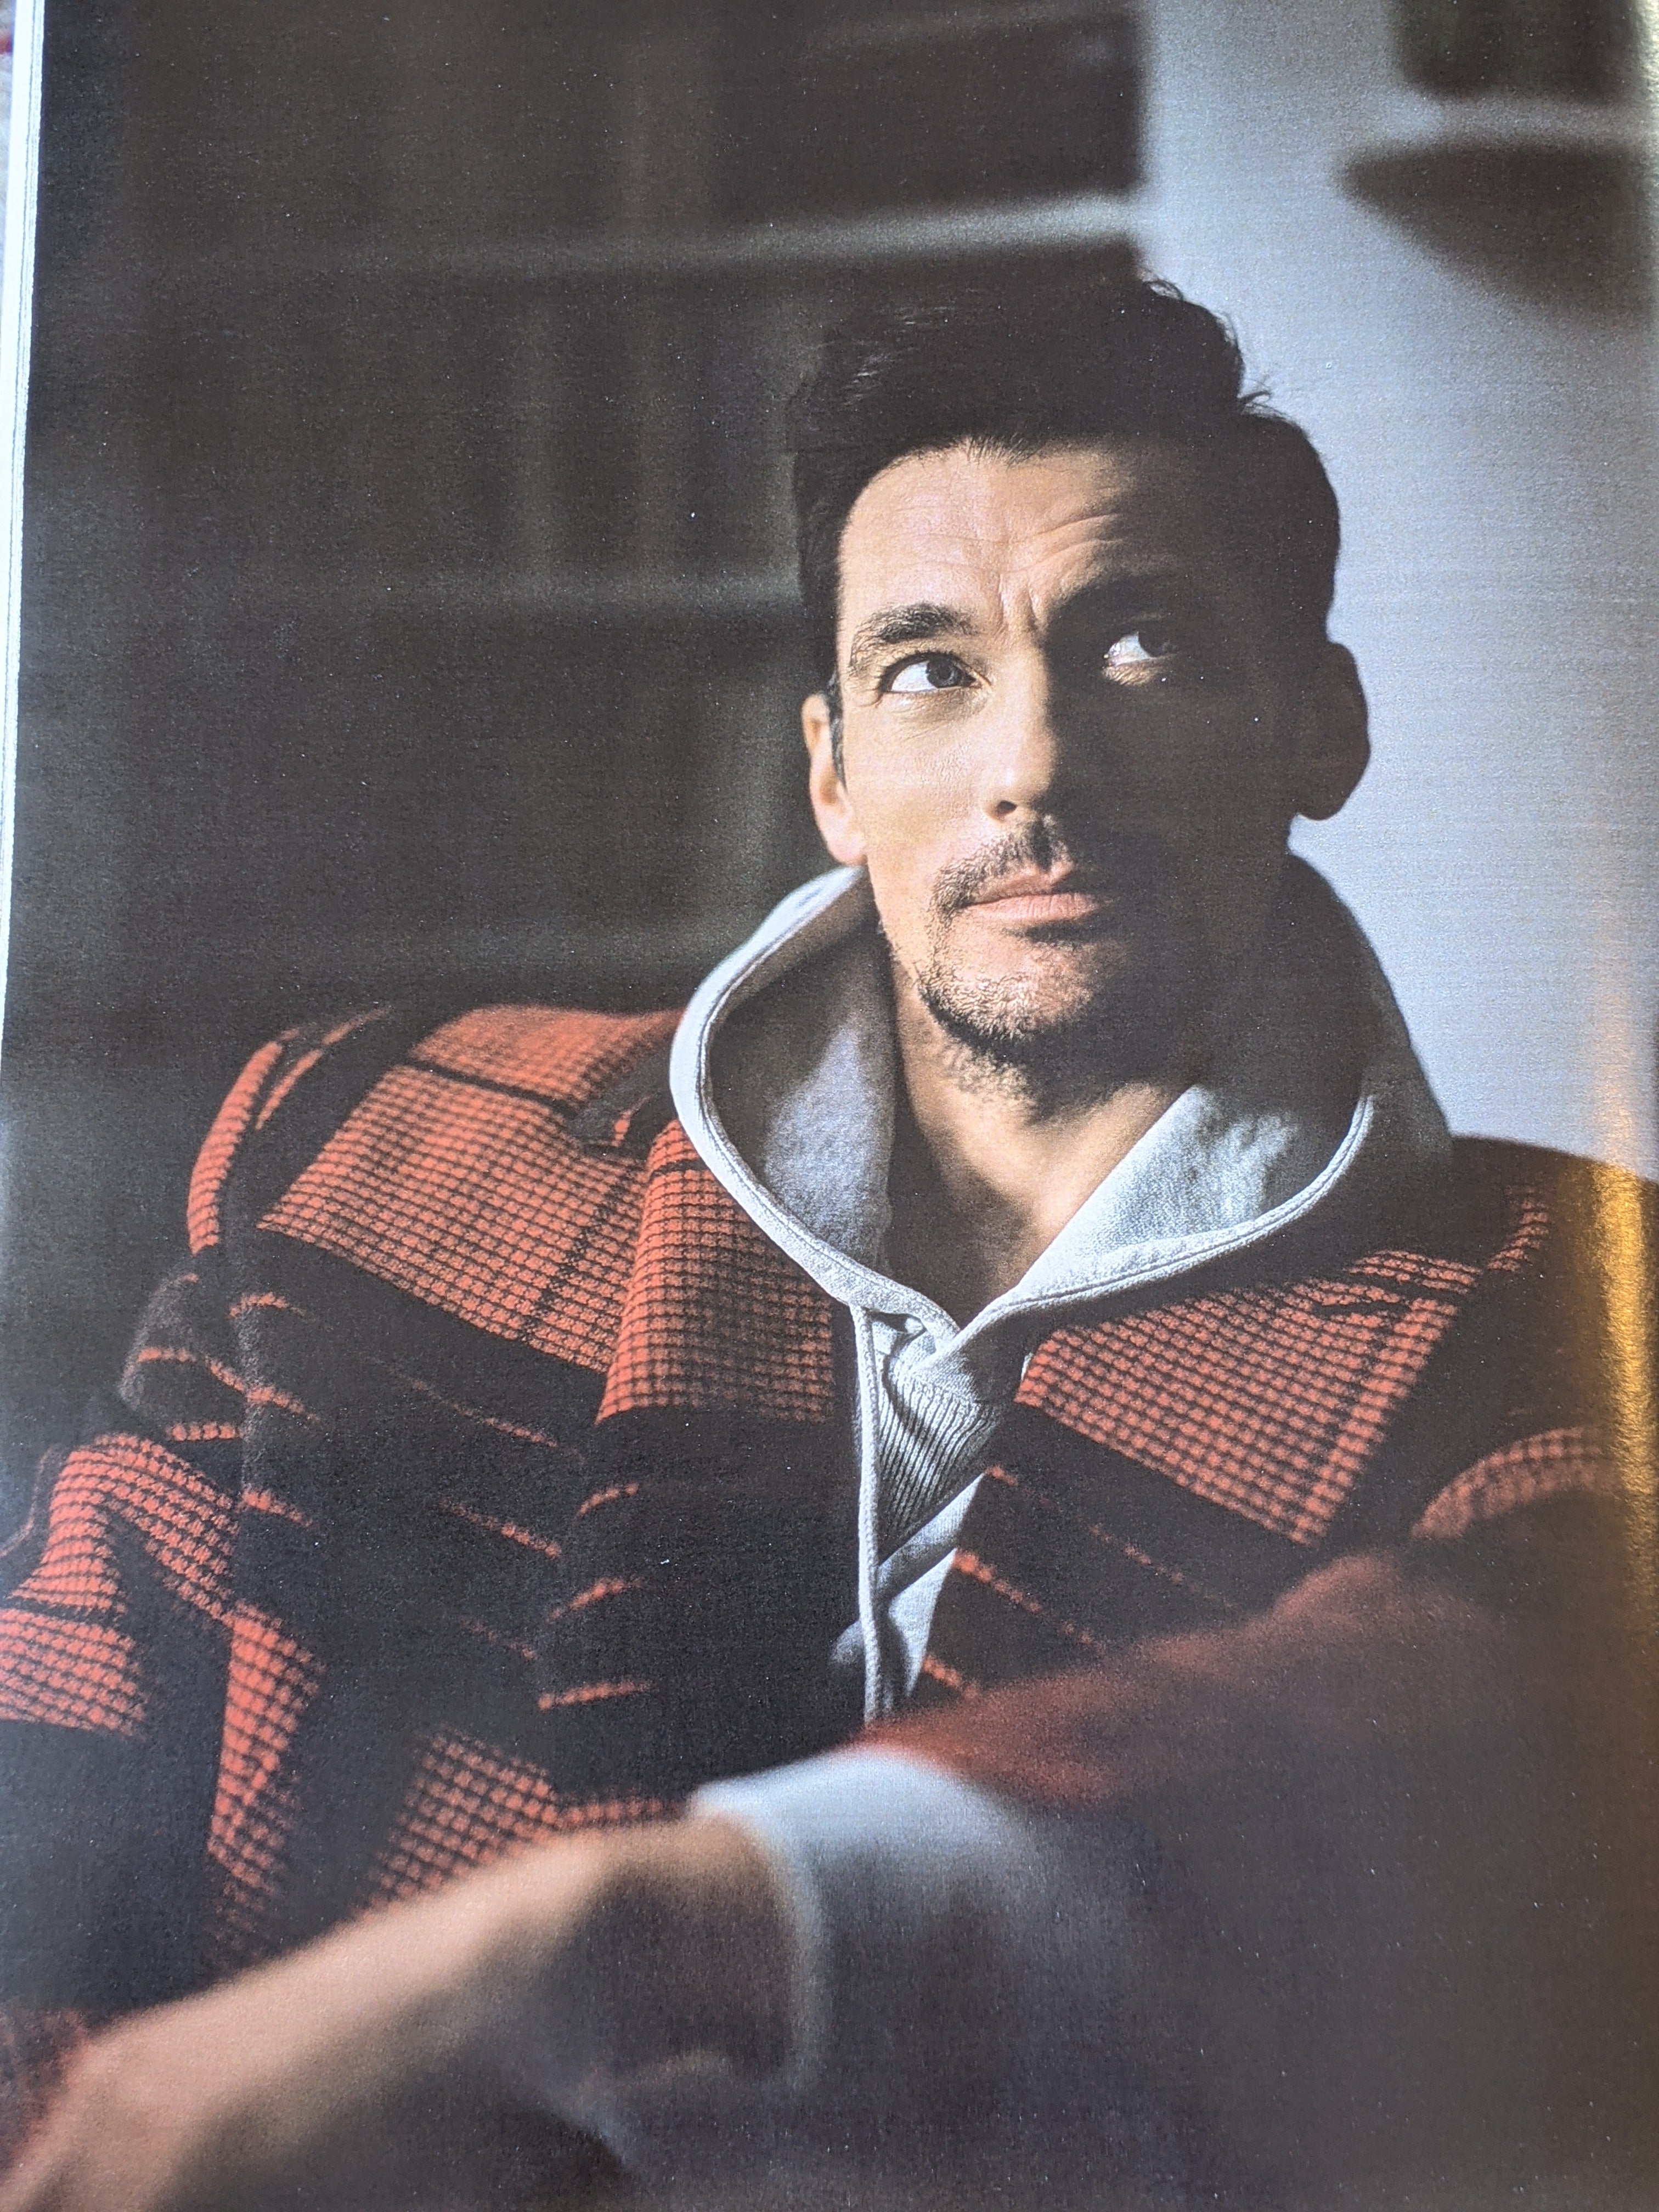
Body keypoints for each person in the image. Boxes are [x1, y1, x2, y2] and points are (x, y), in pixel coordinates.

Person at [0, 279, 1654, 2211]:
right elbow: (45, 1794)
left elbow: (1544, 1731)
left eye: (1142, 646)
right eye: (932, 669)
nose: (1033, 766)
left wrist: (639, 1931)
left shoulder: (1563, 1294)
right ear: (833, 775)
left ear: (1322, 726)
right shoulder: (365, 1143)